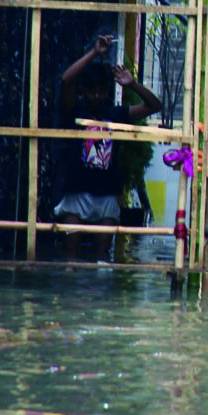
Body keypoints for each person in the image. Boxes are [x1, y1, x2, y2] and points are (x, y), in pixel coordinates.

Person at [55, 34, 162, 259]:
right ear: (84, 91)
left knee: (103, 256)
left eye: (102, 91)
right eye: (93, 91)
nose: (97, 96)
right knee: (69, 255)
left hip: (107, 195)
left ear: (107, 91)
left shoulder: (115, 113)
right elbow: (66, 80)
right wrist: (94, 52)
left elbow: (155, 105)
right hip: (77, 192)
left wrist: (132, 84)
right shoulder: (75, 110)